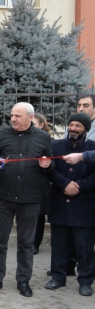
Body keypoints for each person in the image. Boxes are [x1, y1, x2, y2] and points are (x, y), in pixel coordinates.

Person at [0, 102, 53, 297]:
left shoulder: (43, 137)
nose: (13, 119)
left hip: (30, 198)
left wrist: (47, 165)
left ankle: (23, 280)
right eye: (12, 115)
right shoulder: (3, 134)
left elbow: (51, 164)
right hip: (3, 196)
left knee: (26, 242)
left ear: (30, 118)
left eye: (18, 116)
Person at [44, 113, 95, 296]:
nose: (73, 128)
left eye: (78, 126)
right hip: (59, 202)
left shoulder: (92, 149)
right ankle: (58, 277)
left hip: (84, 206)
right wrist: (64, 183)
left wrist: (79, 186)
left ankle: (86, 281)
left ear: (86, 130)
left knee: (84, 247)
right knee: (59, 244)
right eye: (71, 124)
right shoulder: (55, 146)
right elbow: (49, 170)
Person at [32, 113, 52, 255]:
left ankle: (35, 244)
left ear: (41, 125)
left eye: (33, 124)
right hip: (27, 181)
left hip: (43, 181)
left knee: (39, 215)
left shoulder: (48, 140)